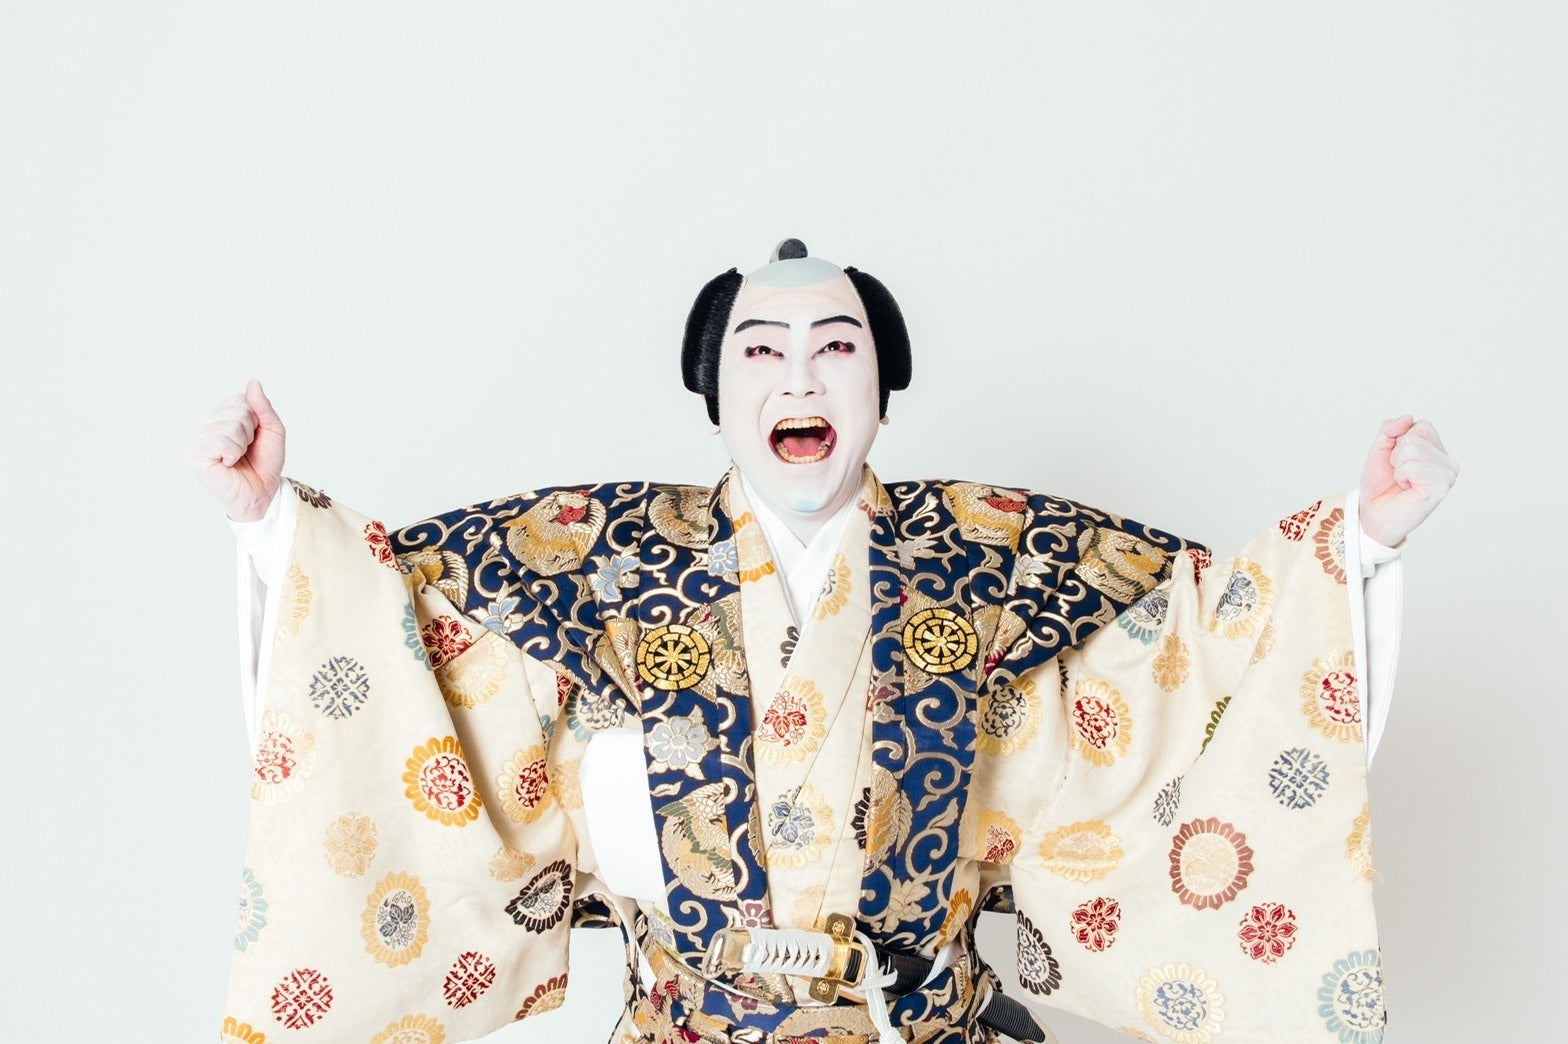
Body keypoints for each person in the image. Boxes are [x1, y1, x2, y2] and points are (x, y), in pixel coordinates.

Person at [196, 241, 1456, 1044]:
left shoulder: (999, 559)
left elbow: (1200, 661)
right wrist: (271, 532)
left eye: (835, 349)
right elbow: (397, 647)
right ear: (716, 393)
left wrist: (1357, 542)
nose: (798, 378)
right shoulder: (591, 561)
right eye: (761, 352)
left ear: (879, 392)